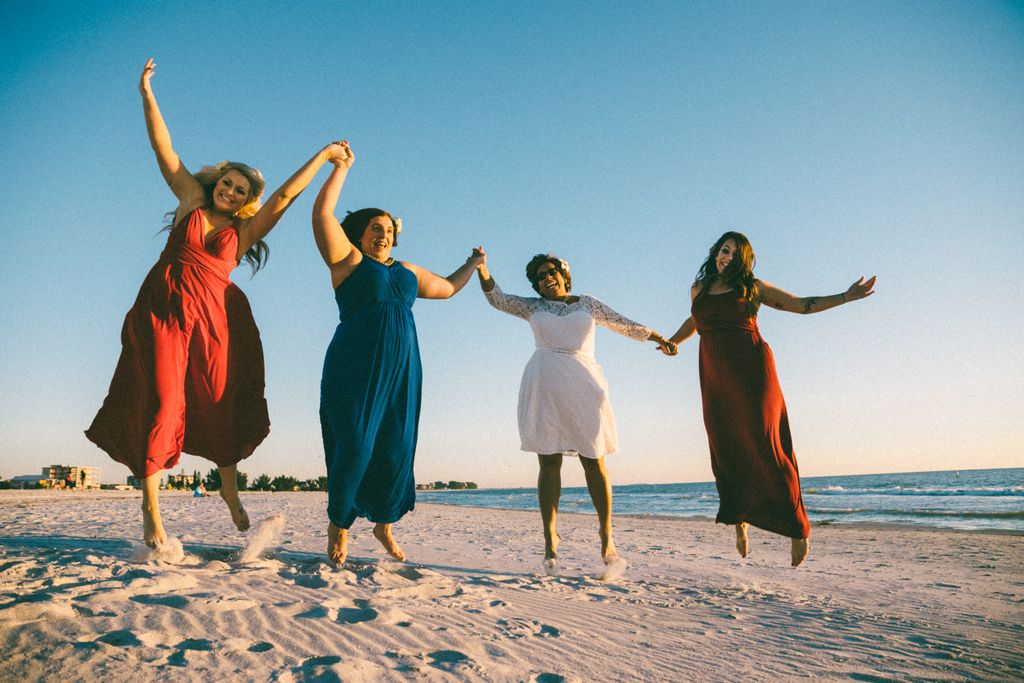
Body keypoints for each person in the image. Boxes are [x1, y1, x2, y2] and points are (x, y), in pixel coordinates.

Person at [86, 58, 348, 547]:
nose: (230, 191)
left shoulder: (244, 231)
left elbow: (287, 195)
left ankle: (228, 490)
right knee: (164, 402)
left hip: (212, 319)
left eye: (241, 190)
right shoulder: (190, 201)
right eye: (227, 182)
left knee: (220, 403)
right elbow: (163, 149)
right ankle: (151, 510)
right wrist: (146, 93)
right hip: (162, 310)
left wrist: (323, 154)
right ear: (216, 182)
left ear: (248, 200)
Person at [311, 141, 484, 565]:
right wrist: (340, 169)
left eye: (389, 229)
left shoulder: (407, 272)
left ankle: (384, 525)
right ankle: (339, 523)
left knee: (396, 447)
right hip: (355, 366)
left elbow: (445, 287)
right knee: (354, 443)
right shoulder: (347, 261)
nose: (383, 233)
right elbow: (321, 216)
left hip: (403, 369)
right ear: (360, 234)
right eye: (375, 227)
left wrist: (473, 263)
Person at [669, 231, 875, 567]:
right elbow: (697, 318)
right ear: (716, 252)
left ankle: (797, 528)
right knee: (727, 447)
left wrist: (846, 297)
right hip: (716, 379)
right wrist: (674, 341)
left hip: (753, 374)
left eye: (735, 255)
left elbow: (801, 305)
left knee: (769, 446)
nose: (727, 258)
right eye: (724, 251)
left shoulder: (753, 287)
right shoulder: (699, 289)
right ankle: (740, 521)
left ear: (744, 261)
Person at [476, 252, 677, 573]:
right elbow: (498, 299)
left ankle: (607, 535)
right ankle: (549, 538)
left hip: (585, 382)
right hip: (544, 382)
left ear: (563, 275)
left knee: (594, 459)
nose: (546, 279)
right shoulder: (533, 307)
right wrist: (482, 268)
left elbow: (622, 323)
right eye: (539, 277)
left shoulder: (588, 303)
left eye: (550, 272)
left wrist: (660, 338)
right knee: (549, 460)